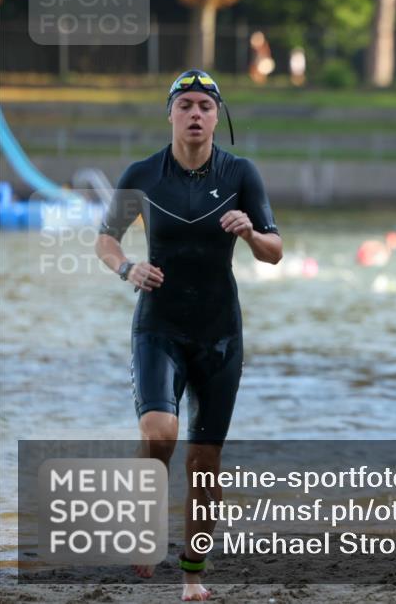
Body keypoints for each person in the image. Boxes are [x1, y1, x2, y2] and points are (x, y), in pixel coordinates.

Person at [95, 69, 282, 601]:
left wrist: (250, 232)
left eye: (205, 106)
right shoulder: (142, 174)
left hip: (220, 333)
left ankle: (193, 575)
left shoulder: (241, 173)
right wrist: (127, 267)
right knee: (160, 432)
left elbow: (275, 251)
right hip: (159, 325)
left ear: (218, 116)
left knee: (204, 463)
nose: (195, 114)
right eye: (186, 105)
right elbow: (105, 239)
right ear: (170, 114)